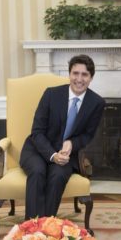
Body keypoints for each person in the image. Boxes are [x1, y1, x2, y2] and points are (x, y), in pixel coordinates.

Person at [20, 54, 105, 220]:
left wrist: (71, 143)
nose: (79, 79)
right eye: (75, 73)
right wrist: (52, 155)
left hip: (67, 156)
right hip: (37, 149)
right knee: (37, 172)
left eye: (84, 74)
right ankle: (31, 227)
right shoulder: (51, 94)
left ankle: (47, 224)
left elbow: (88, 135)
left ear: (91, 78)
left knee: (57, 175)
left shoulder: (97, 103)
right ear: (69, 74)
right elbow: (37, 131)